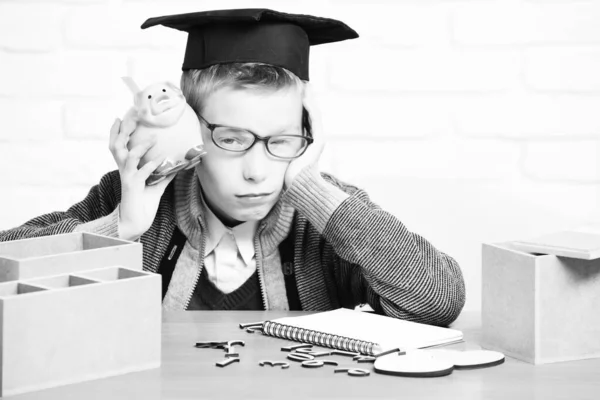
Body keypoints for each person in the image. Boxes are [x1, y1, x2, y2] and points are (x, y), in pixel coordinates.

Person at [0, 9, 465, 325]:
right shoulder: (135, 198)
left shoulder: (326, 208)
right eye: (232, 140)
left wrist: (316, 193)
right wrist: (117, 229)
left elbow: (439, 300)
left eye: (282, 141)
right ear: (189, 130)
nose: (259, 171)